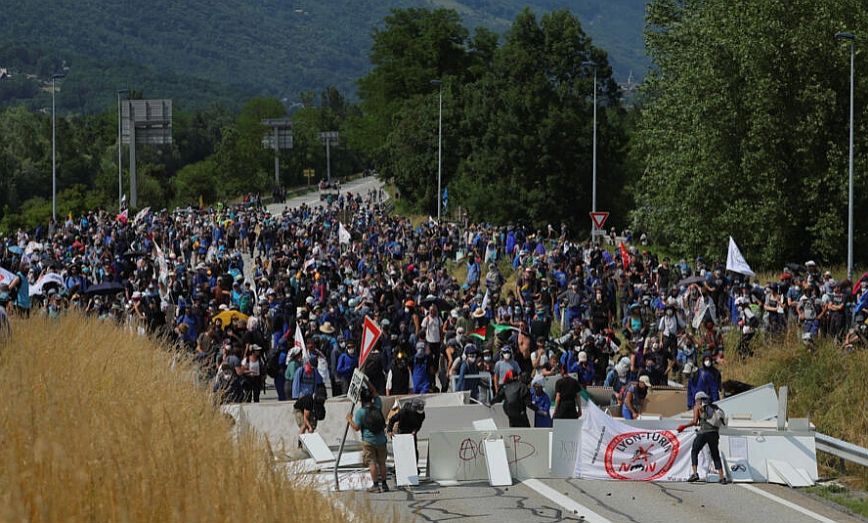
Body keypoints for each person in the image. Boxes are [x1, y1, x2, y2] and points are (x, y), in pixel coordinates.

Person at [678, 391, 727, 484]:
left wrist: (684, 426)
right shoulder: (714, 407)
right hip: (714, 433)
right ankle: (722, 477)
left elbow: (695, 422)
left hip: (704, 433)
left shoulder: (698, 407)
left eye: (696, 400)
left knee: (694, 451)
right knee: (715, 454)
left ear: (698, 399)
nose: (695, 401)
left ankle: (695, 473)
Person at [347, 386, 389, 493]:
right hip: (381, 440)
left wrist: (349, 419)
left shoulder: (361, 412)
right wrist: (367, 382)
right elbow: (375, 392)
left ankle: (375, 485)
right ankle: (384, 484)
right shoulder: (378, 405)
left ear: (361, 399)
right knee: (382, 463)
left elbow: (356, 427)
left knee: (372, 463)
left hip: (368, 441)